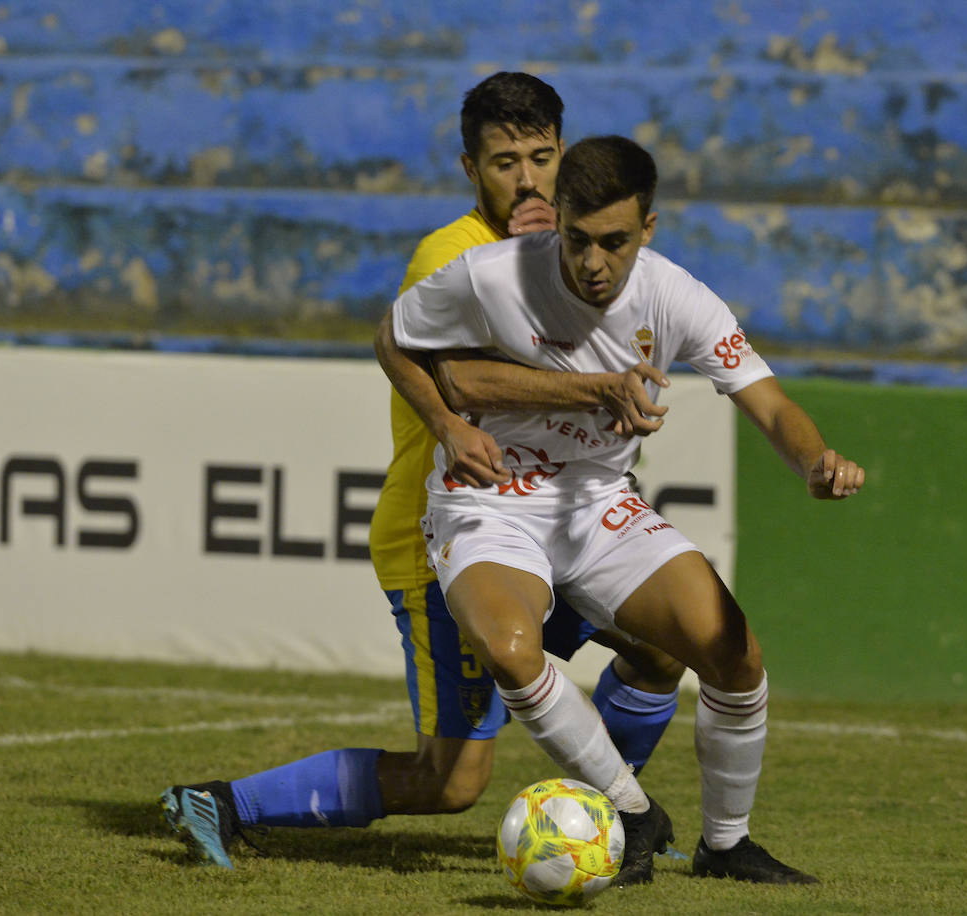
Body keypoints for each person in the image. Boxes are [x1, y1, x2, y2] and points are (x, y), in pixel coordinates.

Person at [158, 73, 685, 872]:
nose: (530, 178)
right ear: (471, 170)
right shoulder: (455, 256)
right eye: (506, 161)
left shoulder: (574, 252)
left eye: (544, 157)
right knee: (450, 782)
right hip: (449, 539)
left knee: (660, 647)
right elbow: (462, 379)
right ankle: (223, 802)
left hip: (551, 527)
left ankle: (615, 820)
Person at [379, 134, 866, 885]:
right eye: (577, 240)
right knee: (512, 648)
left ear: (649, 228)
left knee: (735, 656)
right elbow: (394, 338)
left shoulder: (678, 297)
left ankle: (727, 845)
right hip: (490, 502)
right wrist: (446, 426)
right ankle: (631, 811)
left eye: (614, 242)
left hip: (601, 504)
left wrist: (815, 460)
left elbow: (767, 402)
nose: (593, 263)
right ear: (557, 219)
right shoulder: (490, 275)